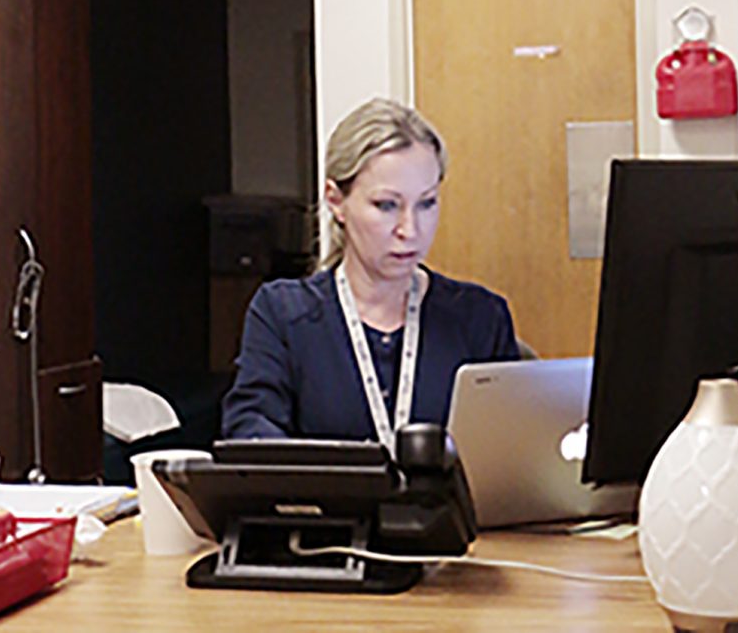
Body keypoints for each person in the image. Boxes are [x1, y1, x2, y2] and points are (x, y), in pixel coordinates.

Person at [221, 97, 519, 447]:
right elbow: (252, 431)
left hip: (448, 503)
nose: (410, 229)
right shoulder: (284, 314)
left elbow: (510, 451)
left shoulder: (479, 317)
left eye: (426, 203)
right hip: (326, 502)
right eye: (387, 206)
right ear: (336, 200)